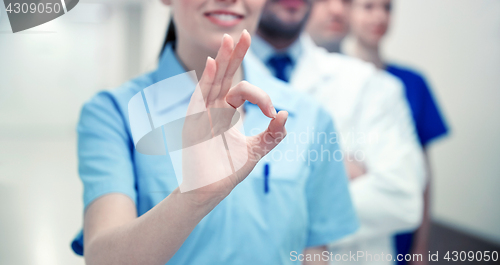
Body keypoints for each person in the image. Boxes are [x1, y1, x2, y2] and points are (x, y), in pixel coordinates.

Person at [70, 0, 359, 264]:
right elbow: (102, 259)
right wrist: (192, 198)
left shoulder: (309, 116)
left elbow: (313, 254)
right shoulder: (113, 113)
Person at [251, 0, 426, 264]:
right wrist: (328, 180)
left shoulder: (371, 84)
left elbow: (403, 199)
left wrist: (260, 206)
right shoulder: (206, 84)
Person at [347, 0, 449, 264]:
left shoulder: (412, 83)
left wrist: (421, 246)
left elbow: (422, 172)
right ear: (349, 11)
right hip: (353, 231)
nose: (379, 16)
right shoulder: (335, 79)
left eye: (387, 7)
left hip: (401, 227)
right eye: (368, 7)